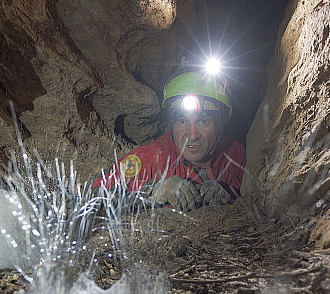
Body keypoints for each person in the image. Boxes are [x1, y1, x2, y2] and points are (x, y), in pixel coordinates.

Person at [93, 72, 245, 211]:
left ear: (219, 126)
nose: (192, 135)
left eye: (203, 121)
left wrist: (228, 192)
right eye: (182, 121)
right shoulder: (156, 156)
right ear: (172, 126)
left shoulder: (235, 154)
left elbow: (253, 193)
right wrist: (153, 190)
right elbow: (96, 188)